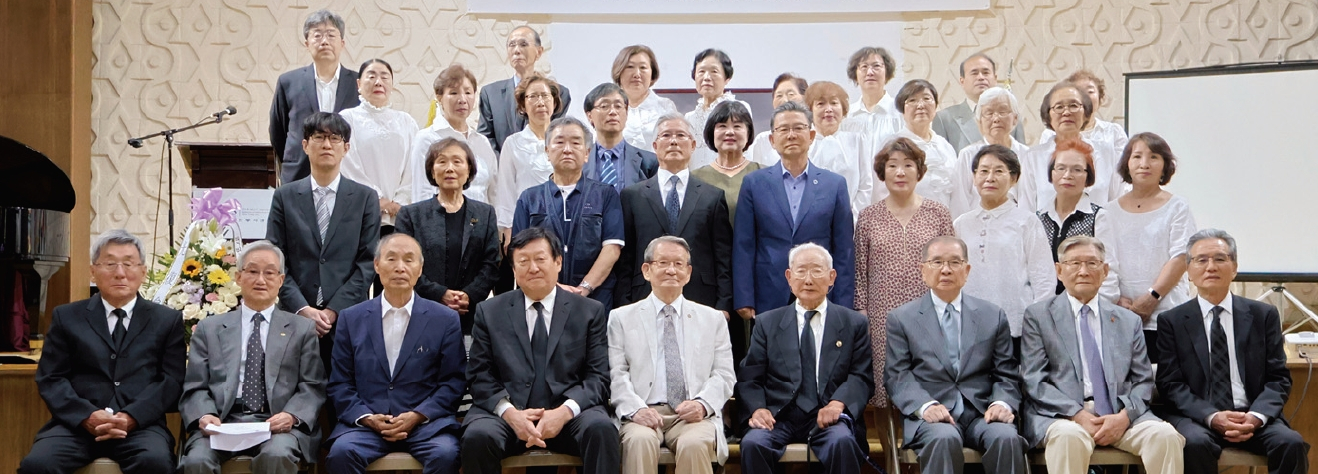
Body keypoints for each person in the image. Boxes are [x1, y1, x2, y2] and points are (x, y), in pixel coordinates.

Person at [18, 230, 185, 474]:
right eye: (109, 263)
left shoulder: (167, 320)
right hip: (76, 426)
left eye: (128, 263)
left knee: (156, 463)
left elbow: (171, 381)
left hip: (141, 426)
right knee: (37, 465)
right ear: (93, 270)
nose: (120, 272)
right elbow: (51, 378)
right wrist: (87, 416)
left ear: (143, 272)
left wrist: (131, 417)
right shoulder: (67, 316)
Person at [461, 227, 620, 474]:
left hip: (568, 415)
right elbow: (479, 375)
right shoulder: (489, 311)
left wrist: (564, 412)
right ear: (513, 270)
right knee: (478, 436)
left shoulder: (589, 311)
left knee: (600, 429)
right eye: (523, 261)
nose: (532, 268)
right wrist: (510, 413)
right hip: (509, 413)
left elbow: (598, 377)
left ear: (558, 262)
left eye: (540, 259)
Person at [1020, 235, 1184, 474]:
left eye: (1092, 263)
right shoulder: (1039, 317)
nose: (1083, 271)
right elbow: (1035, 380)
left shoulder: (1127, 320)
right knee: (1069, 438)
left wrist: (1125, 417)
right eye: (1074, 264)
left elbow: (1143, 380)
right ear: (1059, 271)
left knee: (1165, 436)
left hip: (1120, 415)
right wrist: (1077, 415)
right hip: (1063, 417)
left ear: (1105, 271)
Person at [1156, 229, 1309, 474]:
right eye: (1201, 260)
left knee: (1291, 443)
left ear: (1234, 268)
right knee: (1193, 444)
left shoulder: (1263, 315)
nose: (1210, 267)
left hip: (1251, 413)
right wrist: (1212, 416)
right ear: (1189, 271)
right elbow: (1171, 384)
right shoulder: (1172, 321)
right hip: (1199, 417)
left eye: (1219, 259)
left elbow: (1278, 378)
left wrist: (1257, 416)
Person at [179, 241, 326, 474]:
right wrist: (205, 414)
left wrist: (291, 415)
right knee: (197, 461)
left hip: (276, 425)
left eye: (269, 273)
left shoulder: (302, 329)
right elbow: (195, 385)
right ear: (238, 277)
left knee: (276, 456)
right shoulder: (210, 328)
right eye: (252, 271)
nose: (260, 280)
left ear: (280, 280)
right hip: (223, 422)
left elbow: (312, 385)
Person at [325, 234, 467, 474]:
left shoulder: (444, 319)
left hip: (426, 426)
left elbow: (453, 381)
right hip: (366, 427)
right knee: (341, 453)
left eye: (409, 260)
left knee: (446, 454)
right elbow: (340, 383)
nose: (400, 267)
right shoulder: (351, 318)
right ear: (377, 265)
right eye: (392, 259)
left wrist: (418, 415)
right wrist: (368, 417)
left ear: (420, 269)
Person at [886, 236, 1026, 474]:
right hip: (933, 414)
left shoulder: (992, 315)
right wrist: (925, 405)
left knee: (1005, 436)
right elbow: (897, 375)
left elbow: (1007, 372)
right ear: (923, 270)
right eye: (937, 262)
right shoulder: (902, 318)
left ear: (967, 270)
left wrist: (1002, 402)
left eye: (954, 262)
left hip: (982, 412)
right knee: (943, 438)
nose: (946, 270)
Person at [737, 243, 874, 474]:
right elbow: (750, 377)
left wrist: (837, 403)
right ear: (789, 277)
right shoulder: (767, 323)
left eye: (817, 271)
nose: (808, 279)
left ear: (832, 277)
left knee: (842, 441)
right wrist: (758, 409)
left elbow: (861, 376)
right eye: (800, 271)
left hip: (828, 415)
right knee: (753, 444)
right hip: (779, 416)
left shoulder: (853, 324)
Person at [609, 236, 736, 474]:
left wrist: (702, 404)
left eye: (678, 264)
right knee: (639, 442)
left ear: (688, 273)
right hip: (643, 411)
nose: (671, 270)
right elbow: (616, 374)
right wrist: (636, 410)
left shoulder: (713, 319)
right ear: (646, 270)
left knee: (694, 444)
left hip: (693, 416)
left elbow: (724, 374)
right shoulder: (621, 318)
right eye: (663, 263)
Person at [266, 112, 380, 370]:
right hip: (294, 317)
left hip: (348, 317)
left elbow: (368, 262)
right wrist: (301, 308)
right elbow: (275, 258)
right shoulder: (285, 197)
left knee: (343, 398)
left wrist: (333, 310)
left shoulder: (365, 198)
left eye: (335, 138)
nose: (327, 145)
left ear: (346, 148)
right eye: (319, 137)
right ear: (305, 145)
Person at [854, 137, 954, 407]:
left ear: (919, 171)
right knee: (884, 383)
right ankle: (889, 449)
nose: (900, 172)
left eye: (908, 165)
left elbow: (951, 264)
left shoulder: (938, 213)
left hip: (928, 309)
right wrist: (862, 311)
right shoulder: (868, 216)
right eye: (892, 166)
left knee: (927, 377)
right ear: (882, 172)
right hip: (881, 314)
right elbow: (860, 271)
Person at [733, 101, 855, 321]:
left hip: (821, 292)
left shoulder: (834, 184)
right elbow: (744, 244)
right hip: (769, 290)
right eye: (783, 129)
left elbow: (844, 249)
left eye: (798, 128)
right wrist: (744, 297)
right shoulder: (754, 183)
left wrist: (844, 302)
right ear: (772, 140)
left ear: (811, 135)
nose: (791, 135)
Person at [616, 113, 732, 314]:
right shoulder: (632, 196)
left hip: (701, 297)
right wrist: (624, 302)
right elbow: (626, 258)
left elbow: (723, 257)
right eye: (666, 135)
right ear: (654, 146)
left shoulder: (712, 196)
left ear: (693, 145)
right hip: (643, 296)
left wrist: (724, 305)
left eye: (680, 135)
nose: (673, 141)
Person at [511, 117, 625, 306]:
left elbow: (612, 248)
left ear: (587, 153)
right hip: (541, 298)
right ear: (547, 151)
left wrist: (585, 287)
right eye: (559, 142)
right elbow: (518, 251)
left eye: (575, 142)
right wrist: (554, 288)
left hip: (595, 297)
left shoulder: (606, 194)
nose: (567, 149)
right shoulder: (529, 198)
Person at [952, 145, 1053, 356]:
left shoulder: (1027, 222)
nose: (990, 178)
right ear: (974, 177)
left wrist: (1035, 322)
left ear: (1014, 178)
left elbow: (1043, 277)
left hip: (1015, 325)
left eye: (999, 171)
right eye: (984, 171)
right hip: (969, 325)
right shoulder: (961, 224)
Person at [395, 138, 502, 334]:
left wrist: (468, 295)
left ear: (469, 170)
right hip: (423, 311)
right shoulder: (411, 215)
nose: (450, 168)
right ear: (432, 171)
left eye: (457, 161)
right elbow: (405, 264)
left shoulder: (485, 213)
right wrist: (439, 294)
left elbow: (491, 263)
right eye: (442, 161)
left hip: (471, 313)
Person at [1108, 132, 1196, 362]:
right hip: (1120, 314)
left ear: (1165, 165)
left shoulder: (1177, 207)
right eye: (1137, 156)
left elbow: (1180, 257)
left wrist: (1151, 297)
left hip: (1166, 312)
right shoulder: (1108, 211)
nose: (1144, 164)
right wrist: (1117, 299)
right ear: (1127, 163)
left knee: (1166, 386)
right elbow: (1104, 259)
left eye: (1154, 157)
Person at [270, 9, 361, 184]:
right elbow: (278, 133)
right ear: (307, 43)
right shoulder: (288, 82)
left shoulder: (357, 84)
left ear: (342, 43)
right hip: (298, 175)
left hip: (347, 177)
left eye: (331, 35)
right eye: (317, 36)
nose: (324, 41)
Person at [1034, 139, 1120, 300]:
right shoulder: (1038, 219)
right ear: (1051, 174)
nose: (1067, 176)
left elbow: (1109, 272)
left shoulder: (1098, 217)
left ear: (1088, 177)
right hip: (1045, 309)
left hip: (1088, 306)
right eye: (1061, 168)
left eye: (1077, 170)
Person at [1017, 81, 1122, 213]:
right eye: (1059, 107)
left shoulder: (1105, 152)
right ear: (1048, 115)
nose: (1066, 112)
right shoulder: (1033, 157)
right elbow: (1026, 210)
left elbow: (1116, 201)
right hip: (1046, 232)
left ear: (1086, 112)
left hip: (1099, 232)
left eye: (1074, 105)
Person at [338, 58, 418, 231]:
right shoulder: (347, 118)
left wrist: (400, 202)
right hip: (360, 211)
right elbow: (348, 165)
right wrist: (376, 199)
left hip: (399, 214)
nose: (378, 82)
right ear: (359, 84)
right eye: (371, 76)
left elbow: (414, 166)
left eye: (384, 77)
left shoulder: (406, 121)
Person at [410, 64, 498, 205]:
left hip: (480, 222)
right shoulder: (427, 139)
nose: (462, 99)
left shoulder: (481, 142)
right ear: (439, 97)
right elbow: (422, 193)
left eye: (468, 93)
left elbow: (494, 193)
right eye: (454, 93)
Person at [477, 25, 571, 155]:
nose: (516, 50)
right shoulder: (491, 93)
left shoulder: (559, 93)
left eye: (523, 44)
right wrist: (505, 166)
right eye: (512, 45)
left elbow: (554, 135)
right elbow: (485, 138)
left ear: (539, 52)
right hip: (502, 171)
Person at [492, 73, 564, 239]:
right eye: (533, 97)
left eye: (545, 96)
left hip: (564, 225)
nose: (540, 102)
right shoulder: (513, 144)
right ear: (523, 106)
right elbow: (506, 191)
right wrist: (509, 231)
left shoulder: (565, 141)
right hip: (526, 225)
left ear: (554, 102)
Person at [947, 87, 1032, 218]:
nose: (996, 118)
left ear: (1015, 118)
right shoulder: (968, 155)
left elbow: (1030, 200)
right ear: (979, 121)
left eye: (1003, 111)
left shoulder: (1028, 155)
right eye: (989, 113)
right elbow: (959, 202)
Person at [931, 52, 1026, 154]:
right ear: (962, 81)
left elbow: (1021, 157)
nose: (981, 77)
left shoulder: (1010, 115)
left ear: (995, 78)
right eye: (974, 73)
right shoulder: (944, 118)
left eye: (986, 73)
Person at [883, 79, 957, 207]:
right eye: (912, 100)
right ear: (902, 110)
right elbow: (881, 192)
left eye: (927, 99)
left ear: (935, 105)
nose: (921, 105)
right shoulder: (892, 145)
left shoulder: (945, 146)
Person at [804, 81, 873, 216]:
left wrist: (852, 220)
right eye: (821, 104)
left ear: (843, 109)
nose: (828, 109)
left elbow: (865, 185)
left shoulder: (857, 141)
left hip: (850, 222)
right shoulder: (804, 143)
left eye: (834, 103)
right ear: (810, 110)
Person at [691, 101, 763, 225]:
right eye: (722, 126)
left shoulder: (763, 174)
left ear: (748, 132)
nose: (730, 132)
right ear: (711, 132)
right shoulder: (695, 178)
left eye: (737, 126)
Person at [582, 82, 659, 195]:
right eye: (604, 106)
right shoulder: (579, 162)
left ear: (626, 113)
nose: (613, 112)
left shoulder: (649, 162)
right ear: (589, 116)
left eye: (618, 106)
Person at [1039, 70, 1128, 160]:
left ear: (1100, 98)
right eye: (1079, 91)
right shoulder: (1050, 134)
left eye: (1090, 91)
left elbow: (1122, 167)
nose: (1085, 96)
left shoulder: (1114, 131)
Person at [685, 49, 751, 170]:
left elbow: (747, 154)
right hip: (697, 185)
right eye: (701, 71)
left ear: (727, 78)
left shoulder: (740, 109)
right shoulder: (689, 118)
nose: (706, 77)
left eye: (714, 72)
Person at [612, 45, 678, 152]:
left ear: (652, 73)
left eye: (643, 67)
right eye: (630, 67)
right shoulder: (610, 109)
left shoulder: (665, 107)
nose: (637, 74)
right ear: (619, 71)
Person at [841, 47, 903, 153]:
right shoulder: (847, 115)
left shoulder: (900, 112)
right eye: (864, 67)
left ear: (887, 72)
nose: (870, 72)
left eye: (876, 66)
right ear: (855, 73)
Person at [750, 73, 808, 166]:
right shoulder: (762, 140)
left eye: (791, 94)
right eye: (779, 95)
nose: (784, 100)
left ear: (805, 98)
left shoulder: (816, 137)